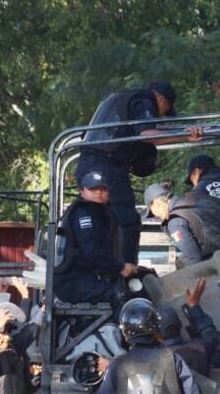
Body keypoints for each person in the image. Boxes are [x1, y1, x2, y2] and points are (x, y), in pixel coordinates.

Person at [75, 81, 201, 263]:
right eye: (165, 110)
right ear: (162, 99)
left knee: (101, 222)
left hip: (87, 166)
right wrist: (185, 136)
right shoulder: (144, 101)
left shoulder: (117, 100)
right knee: (127, 222)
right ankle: (127, 274)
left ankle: (101, 269)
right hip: (108, 168)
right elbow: (148, 135)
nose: (161, 115)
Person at [53, 170, 139, 309]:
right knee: (120, 297)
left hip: (87, 277)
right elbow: (92, 252)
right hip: (72, 281)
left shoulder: (102, 213)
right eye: (93, 189)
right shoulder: (83, 214)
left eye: (103, 188)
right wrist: (120, 267)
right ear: (82, 191)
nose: (98, 192)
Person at [143, 183, 220, 275]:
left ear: (157, 204)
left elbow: (194, 259)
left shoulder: (175, 222)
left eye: (152, 212)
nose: (156, 217)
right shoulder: (195, 196)